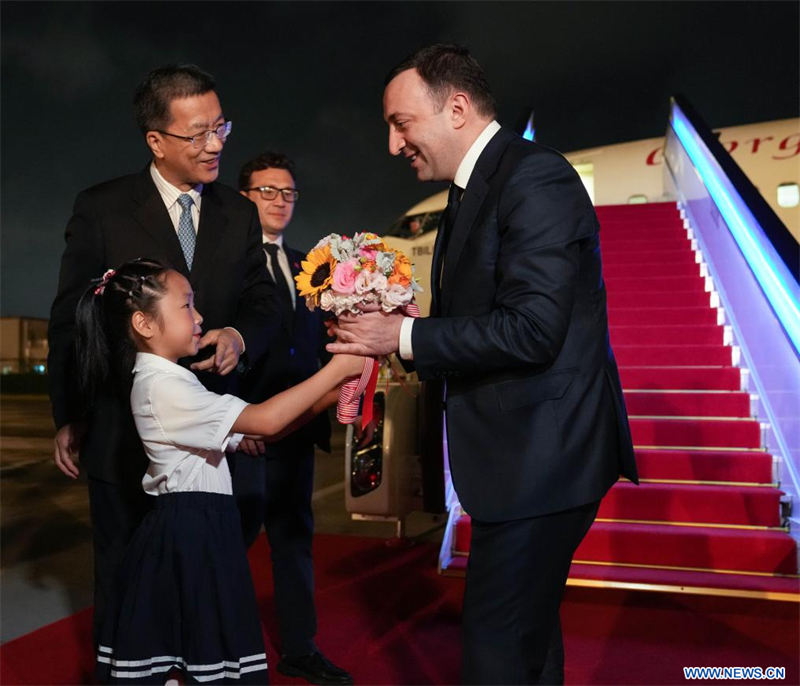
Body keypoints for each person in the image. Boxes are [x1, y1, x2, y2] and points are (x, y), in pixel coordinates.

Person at [328, 44, 638, 685]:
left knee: (494, 651)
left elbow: (531, 329)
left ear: (458, 108)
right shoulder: (471, 192)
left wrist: (405, 336)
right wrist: (394, 343)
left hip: (543, 463)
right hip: (519, 462)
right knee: (526, 639)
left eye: (400, 123)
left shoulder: (533, 177)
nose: (392, 144)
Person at [47, 63, 280, 649]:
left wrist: (238, 337)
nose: (215, 144)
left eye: (220, 127)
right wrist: (70, 415)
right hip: (124, 439)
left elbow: (264, 301)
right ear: (156, 139)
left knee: (206, 590)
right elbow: (70, 319)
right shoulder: (101, 209)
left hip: (213, 448)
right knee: (126, 588)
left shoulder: (239, 211)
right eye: (197, 133)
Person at [73, 258, 364, 684]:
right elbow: (265, 420)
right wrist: (339, 368)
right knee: (201, 659)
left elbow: (271, 430)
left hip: (202, 526)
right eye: (186, 306)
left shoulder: (173, 379)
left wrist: (337, 384)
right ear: (145, 323)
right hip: (190, 532)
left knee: (197, 660)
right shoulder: (163, 386)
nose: (200, 316)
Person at [234, 152, 352, 685]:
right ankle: (216, 646)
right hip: (249, 435)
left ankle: (300, 648)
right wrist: (238, 423)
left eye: (288, 193)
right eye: (268, 191)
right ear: (243, 198)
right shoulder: (228, 267)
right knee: (232, 542)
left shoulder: (313, 270)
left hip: (298, 431)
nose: (281, 201)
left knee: (294, 540)